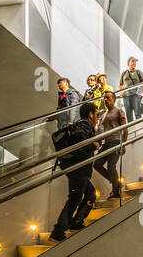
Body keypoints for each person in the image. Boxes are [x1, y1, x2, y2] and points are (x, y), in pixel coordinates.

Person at [49, 103, 100, 241]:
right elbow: (80, 140)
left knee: (90, 194)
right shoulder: (84, 124)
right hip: (78, 168)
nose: (98, 117)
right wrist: (93, 145)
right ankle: (58, 231)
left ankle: (76, 222)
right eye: (97, 114)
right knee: (74, 199)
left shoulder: (83, 125)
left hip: (78, 168)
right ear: (90, 114)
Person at [95, 91, 127, 199]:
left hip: (116, 141)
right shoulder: (103, 115)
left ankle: (116, 191)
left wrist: (124, 144)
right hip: (106, 143)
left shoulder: (119, 111)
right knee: (97, 164)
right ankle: (115, 182)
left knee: (110, 166)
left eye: (108, 98)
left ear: (114, 99)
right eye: (104, 98)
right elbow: (102, 131)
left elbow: (125, 128)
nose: (105, 100)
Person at [119, 56, 143, 123]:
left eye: (135, 61)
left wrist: (142, 92)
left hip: (136, 95)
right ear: (128, 63)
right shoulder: (124, 73)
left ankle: (139, 129)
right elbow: (120, 84)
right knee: (128, 114)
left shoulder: (138, 72)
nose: (134, 63)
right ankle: (132, 131)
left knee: (137, 113)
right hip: (126, 96)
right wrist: (120, 92)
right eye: (132, 61)